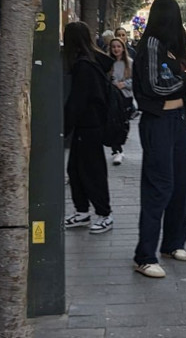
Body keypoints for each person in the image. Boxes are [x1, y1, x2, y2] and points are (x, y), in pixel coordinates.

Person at [132, 0, 186, 278]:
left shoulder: (169, 48)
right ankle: (144, 255)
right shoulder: (150, 46)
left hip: (176, 121)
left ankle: (173, 243)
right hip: (158, 122)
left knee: (181, 184)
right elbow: (154, 88)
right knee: (158, 186)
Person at [63, 21, 115, 234]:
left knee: (92, 171)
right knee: (75, 170)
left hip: (89, 126)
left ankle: (105, 214)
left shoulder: (84, 66)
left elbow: (78, 101)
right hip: (90, 126)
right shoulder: (93, 61)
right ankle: (83, 211)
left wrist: (63, 127)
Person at [108, 37, 134, 165]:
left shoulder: (130, 63)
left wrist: (124, 84)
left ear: (123, 48)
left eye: (118, 46)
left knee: (124, 123)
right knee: (114, 124)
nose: (116, 49)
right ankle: (117, 150)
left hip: (126, 97)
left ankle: (120, 145)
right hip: (113, 98)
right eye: (113, 47)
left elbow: (136, 80)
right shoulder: (108, 63)